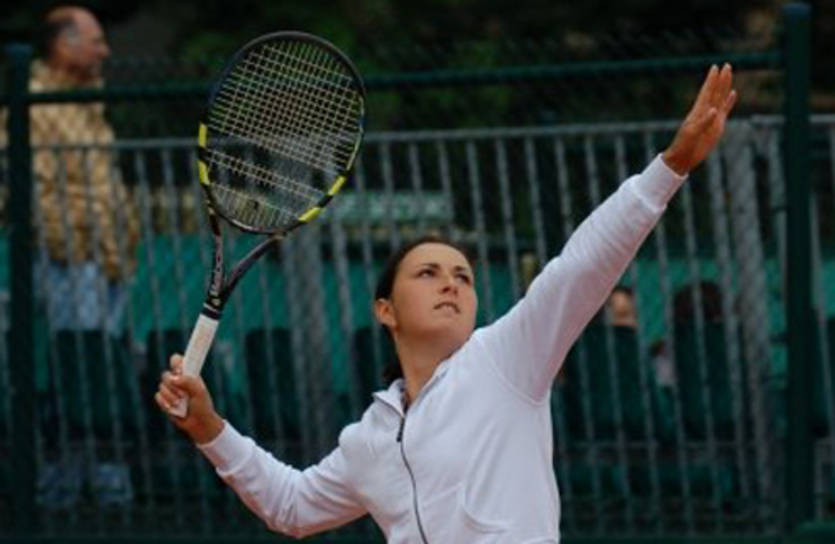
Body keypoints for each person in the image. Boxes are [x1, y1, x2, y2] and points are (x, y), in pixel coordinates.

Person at [156, 64, 737, 541]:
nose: (451, 284)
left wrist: (670, 168)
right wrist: (208, 427)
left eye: (463, 276)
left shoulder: (506, 360)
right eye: (428, 273)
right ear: (385, 310)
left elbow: (579, 269)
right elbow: (292, 506)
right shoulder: (369, 439)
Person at [13, 6, 139, 507]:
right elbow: (24, 184)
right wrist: (59, 239)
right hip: (70, 252)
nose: (104, 51)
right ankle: (69, 478)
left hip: (110, 252)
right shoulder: (34, 101)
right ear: (64, 45)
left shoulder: (89, 101)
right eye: (95, 40)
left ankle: (92, 475)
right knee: (78, 363)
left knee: (102, 362)